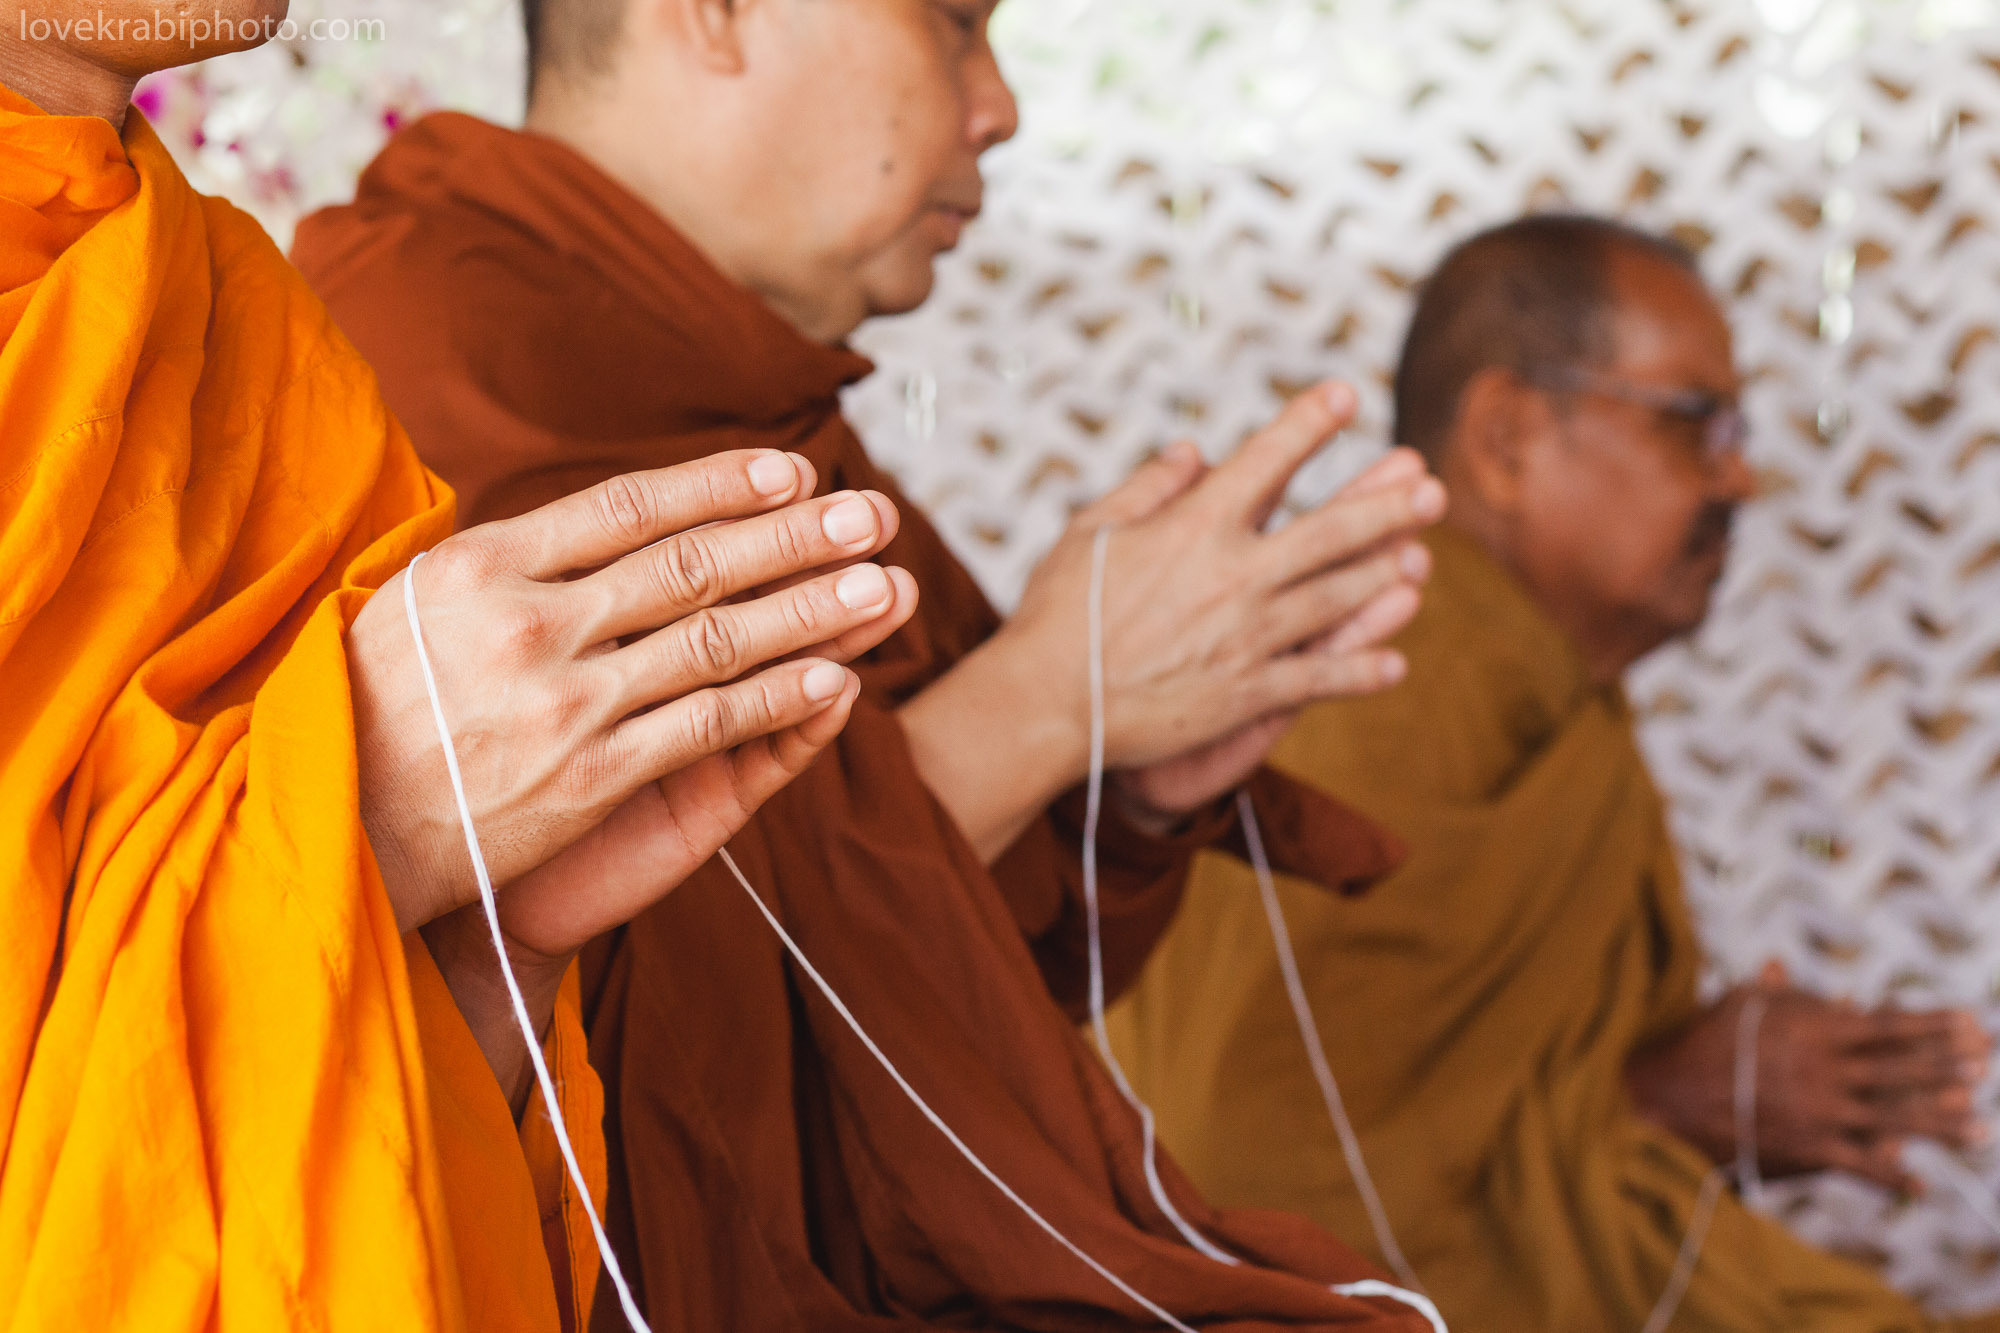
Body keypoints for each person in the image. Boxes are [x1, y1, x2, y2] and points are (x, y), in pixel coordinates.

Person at [290, 0, 1453, 1328]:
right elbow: (560, 1014)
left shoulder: (751, 396)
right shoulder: (413, 365)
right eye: (955, 23)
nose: (999, 104)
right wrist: (1040, 701)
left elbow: (945, 1018)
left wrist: (1123, 785)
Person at [0, 5, 922, 1330]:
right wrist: (351, 818)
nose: (996, 109)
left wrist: (481, 949)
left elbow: (346, 1177)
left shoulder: (230, 317)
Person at [1109, 213, 2000, 1332]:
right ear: (1506, 437)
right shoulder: (1364, 688)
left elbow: (1481, 1116)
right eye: (1694, 423)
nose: (1740, 478)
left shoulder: (1558, 711)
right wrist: (1670, 1100)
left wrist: (1681, 1096)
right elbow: (1244, 1166)